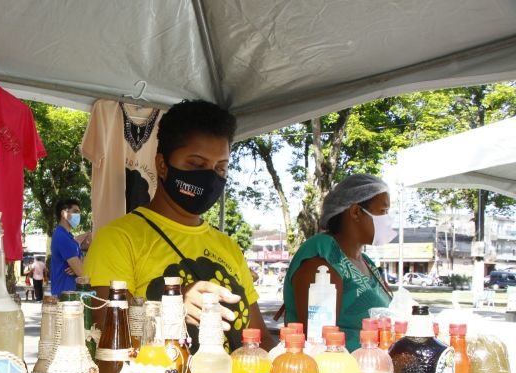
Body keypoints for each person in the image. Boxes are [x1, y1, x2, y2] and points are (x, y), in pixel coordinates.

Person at [84, 100, 274, 352]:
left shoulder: (228, 247)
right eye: (196, 165)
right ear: (162, 165)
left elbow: (262, 341)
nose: (210, 177)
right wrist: (171, 309)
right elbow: (107, 338)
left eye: (220, 168)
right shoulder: (119, 239)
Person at [283, 173, 394, 351]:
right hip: (340, 371)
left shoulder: (366, 261)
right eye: (383, 212)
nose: (388, 220)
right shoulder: (322, 256)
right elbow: (318, 341)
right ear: (356, 212)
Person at [50, 198, 84, 296]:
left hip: (70, 296)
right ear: (64, 214)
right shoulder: (62, 236)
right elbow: (82, 273)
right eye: (75, 212)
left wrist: (78, 265)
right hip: (64, 298)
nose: (78, 216)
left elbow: (81, 261)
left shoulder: (70, 237)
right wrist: (78, 266)